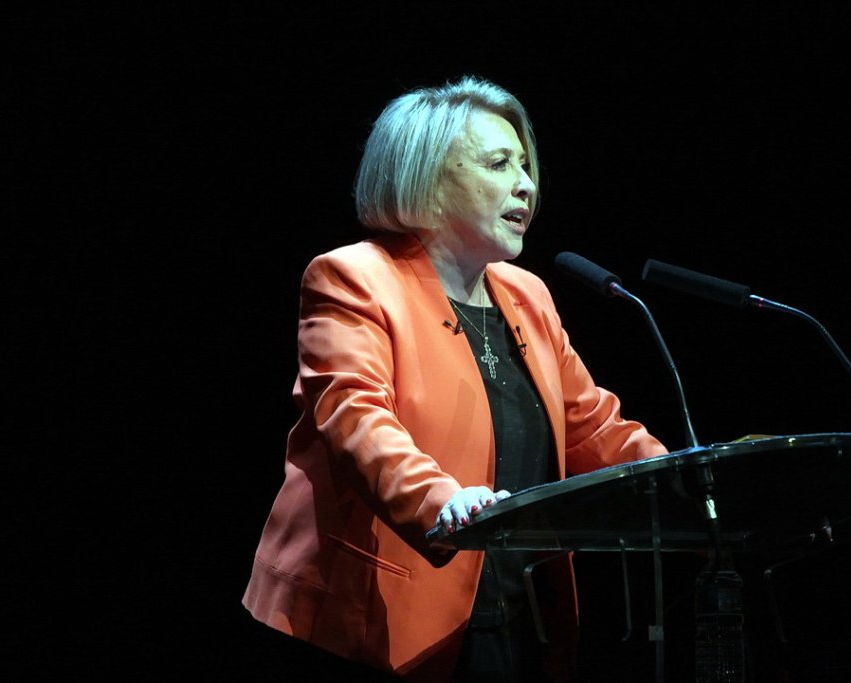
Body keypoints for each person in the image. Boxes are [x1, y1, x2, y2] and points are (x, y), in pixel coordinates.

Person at [242, 75, 668, 682]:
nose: (527, 183)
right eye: (500, 164)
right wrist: (445, 501)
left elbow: (592, 424)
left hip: (517, 617)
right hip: (374, 625)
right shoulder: (353, 278)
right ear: (427, 179)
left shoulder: (528, 294)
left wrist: (689, 480)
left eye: (526, 164)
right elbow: (355, 418)